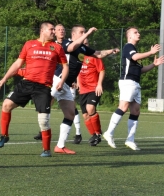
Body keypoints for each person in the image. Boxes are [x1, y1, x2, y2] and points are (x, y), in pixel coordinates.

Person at [0, 21, 68, 157]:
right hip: (26, 83)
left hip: (43, 87)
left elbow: (65, 66)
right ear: (43, 30)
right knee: (6, 105)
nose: (54, 32)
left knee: (43, 120)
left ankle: (46, 150)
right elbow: (18, 63)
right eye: (52, 29)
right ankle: (4, 135)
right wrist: (4, 79)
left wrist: (62, 81)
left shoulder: (56, 48)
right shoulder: (29, 44)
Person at [51, 24, 120, 154]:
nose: (84, 34)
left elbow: (98, 54)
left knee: (71, 114)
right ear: (74, 34)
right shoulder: (67, 43)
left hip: (67, 84)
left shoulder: (82, 47)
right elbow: (71, 48)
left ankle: (60, 146)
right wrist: (87, 33)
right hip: (58, 80)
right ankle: (43, 133)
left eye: (84, 32)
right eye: (81, 32)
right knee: (45, 107)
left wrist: (111, 51)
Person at [103, 27, 164, 150]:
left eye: (138, 31)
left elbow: (140, 69)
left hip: (135, 83)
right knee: (123, 106)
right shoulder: (128, 47)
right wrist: (150, 52)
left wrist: (154, 64)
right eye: (135, 32)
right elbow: (135, 57)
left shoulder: (134, 49)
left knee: (136, 110)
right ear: (129, 36)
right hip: (128, 82)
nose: (139, 33)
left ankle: (130, 140)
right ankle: (109, 133)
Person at [77, 38, 105, 146]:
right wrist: (78, 83)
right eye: (82, 43)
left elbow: (101, 70)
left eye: (86, 43)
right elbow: (78, 71)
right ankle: (93, 134)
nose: (84, 45)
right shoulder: (79, 56)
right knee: (85, 115)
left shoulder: (94, 56)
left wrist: (99, 84)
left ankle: (98, 134)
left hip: (94, 88)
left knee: (90, 108)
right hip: (83, 89)